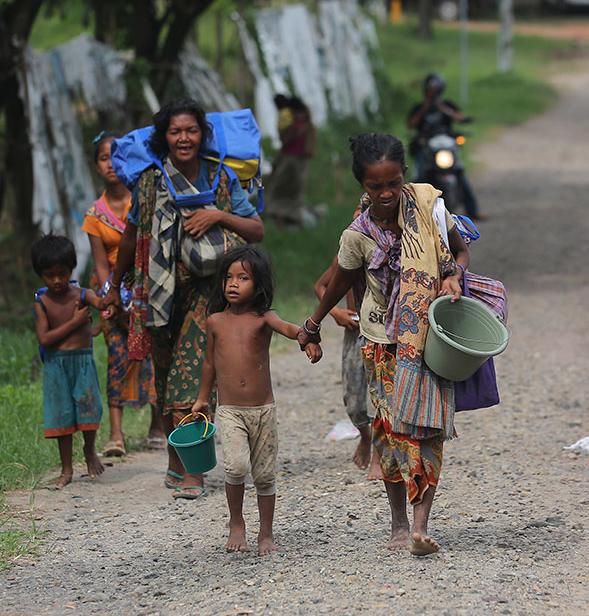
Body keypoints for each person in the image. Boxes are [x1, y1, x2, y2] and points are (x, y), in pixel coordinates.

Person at [298, 133, 471, 556]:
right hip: (381, 344)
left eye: (393, 183)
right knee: (390, 432)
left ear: (404, 175)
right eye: (376, 186)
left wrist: (454, 276)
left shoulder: (431, 207)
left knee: (428, 429)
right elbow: (338, 280)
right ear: (362, 184)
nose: (386, 193)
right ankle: (397, 524)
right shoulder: (357, 234)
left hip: (431, 339)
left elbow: (461, 252)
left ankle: (420, 526)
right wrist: (314, 323)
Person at [101, 97, 264, 500]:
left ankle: (193, 472)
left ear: (203, 134)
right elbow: (130, 236)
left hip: (207, 294)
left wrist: (218, 215)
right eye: (175, 131)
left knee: (188, 375)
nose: (184, 138)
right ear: (164, 137)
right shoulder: (152, 182)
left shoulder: (221, 178)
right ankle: (177, 463)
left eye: (191, 130)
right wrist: (114, 287)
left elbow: (256, 229)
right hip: (158, 294)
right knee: (164, 372)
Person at [191, 245, 321, 555]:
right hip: (230, 410)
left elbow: (291, 331)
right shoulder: (215, 321)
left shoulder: (264, 318)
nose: (233, 284)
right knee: (235, 467)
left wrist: (308, 340)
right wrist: (201, 399)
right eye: (229, 278)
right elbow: (209, 363)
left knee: (264, 474)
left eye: (243, 278)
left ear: (259, 285)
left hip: (263, 410)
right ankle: (237, 522)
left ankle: (266, 531)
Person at [82, 132, 163, 457]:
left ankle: (157, 427)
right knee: (117, 358)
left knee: (155, 357)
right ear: (97, 166)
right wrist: (111, 296)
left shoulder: (143, 199)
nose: (112, 164)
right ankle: (115, 434)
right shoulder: (94, 216)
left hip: (149, 288)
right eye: (104, 158)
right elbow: (101, 265)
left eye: (117, 157)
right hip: (113, 296)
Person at [31, 234, 105, 488]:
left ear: (71, 269)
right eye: (50, 275)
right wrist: (75, 322)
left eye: (62, 273)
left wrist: (108, 300)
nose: (57, 280)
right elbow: (45, 339)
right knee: (61, 416)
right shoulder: (43, 302)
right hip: (56, 366)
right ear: (40, 274)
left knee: (88, 408)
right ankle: (66, 469)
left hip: (82, 363)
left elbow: (100, 302)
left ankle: (90, 450)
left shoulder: (82, 294)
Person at [314, 250, 376, 474]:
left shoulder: (394, 248)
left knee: (383, 396)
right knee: (355, 403)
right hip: (356, 331)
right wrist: (335, 311)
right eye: (358, 211)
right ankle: (366, 436)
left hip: (385, 331)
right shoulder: (349, 251)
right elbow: (320, 286)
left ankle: (379, 456)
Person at [406, 73, 482, 220]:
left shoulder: (446, 105)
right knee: (420, 177)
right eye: (429, 91)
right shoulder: (419, 108)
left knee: (460, 172)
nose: (432, 94)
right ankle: (414, 214)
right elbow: (410, 125)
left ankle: (473, 210)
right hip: (426, 146)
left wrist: (444, 109)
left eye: (434, 91)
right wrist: (424, 109)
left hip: (445, 145)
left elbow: (461, 118)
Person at [266, 95, 316, 226]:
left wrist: (285, 140)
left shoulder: (293, 120)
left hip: (291, 158)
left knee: (281, 187)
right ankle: (290, 217)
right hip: (297, 157)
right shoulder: (304, 121)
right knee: (294, 188)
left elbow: (287, 139)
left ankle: (282, 217)